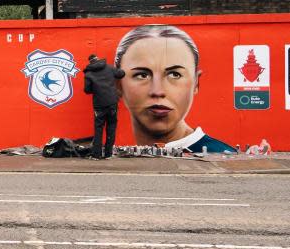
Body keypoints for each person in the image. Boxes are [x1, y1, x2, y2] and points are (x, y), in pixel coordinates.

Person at [114, 24, 235, 153]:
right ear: (118, 85)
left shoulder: (224, 157)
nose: (158, 91)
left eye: (174, 75)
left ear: (196, 83)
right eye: (142, 75)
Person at [83, 53, 124, 159]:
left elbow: (87, 90)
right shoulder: (109, 68)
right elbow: (121, 74)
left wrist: (96, 89)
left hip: (99, 105)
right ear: (98, 59)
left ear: (90, 62)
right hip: (112, 103)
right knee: (111, 126)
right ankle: (108, 154)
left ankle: (96, 154)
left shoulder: (88, 74)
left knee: (98, 128)